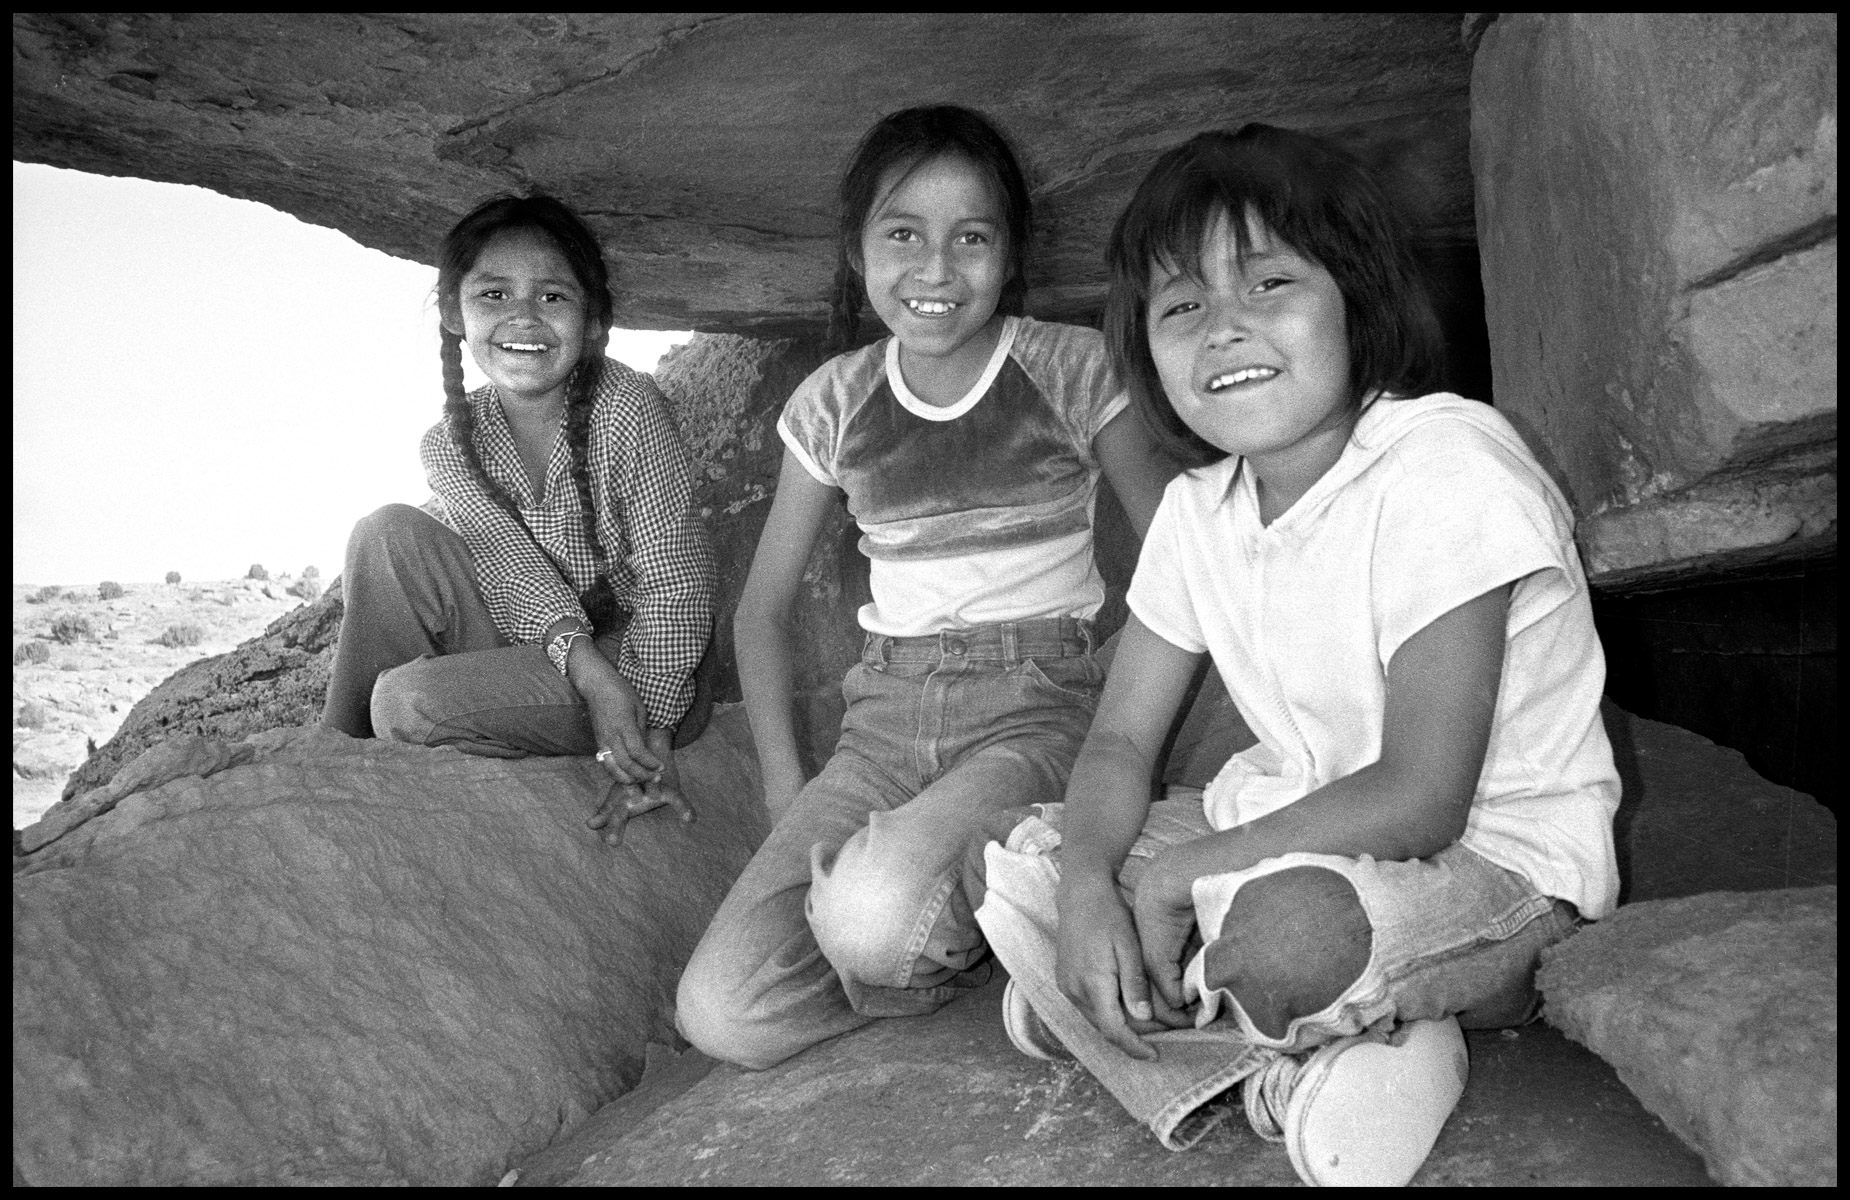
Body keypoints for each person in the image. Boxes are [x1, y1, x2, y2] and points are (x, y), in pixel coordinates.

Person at [975, 124, 1620, 1187]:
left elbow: (1423, 798)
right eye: (1181, 306)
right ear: (1144, 349)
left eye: (1269, 283)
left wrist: (1179, 874)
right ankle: (1317, 1038)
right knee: (1019, 858)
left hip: (1493, 855)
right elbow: (1120, 742)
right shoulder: (1194, 509)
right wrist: (1091, 882)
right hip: (1288, 823)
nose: (1223, 330)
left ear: (1357, 303)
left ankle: (1241, 1023)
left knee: (1285, 937)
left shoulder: (1444, 460)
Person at [675, 105, 1180, 1069]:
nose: (937, 269)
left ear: (1010, 250)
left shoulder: (1070, 369)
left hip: (1033, 710)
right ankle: (977, 932)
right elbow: (762, 609)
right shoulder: (833, 400)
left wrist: (1117, 711)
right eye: (902, 233)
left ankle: (947, 902)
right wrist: (788, 784)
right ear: (857, 247)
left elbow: (1176, 554)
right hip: (882, 725)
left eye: (972, 237)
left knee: (868, 918)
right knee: (723, 1013)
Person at [321, 194, 715, 842]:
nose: (523, 319)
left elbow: (678, 585)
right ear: (455, 313)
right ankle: (335, 760)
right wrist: (586, 676)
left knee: (407, 703)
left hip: (651, 662)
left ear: (593, 320)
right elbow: (512, 570)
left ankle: (459, 758)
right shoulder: (451, 441)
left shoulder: (629, 410)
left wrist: (651, 729)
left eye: (553, 297)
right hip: (558, 653)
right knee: (384, 533)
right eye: (494, 295)